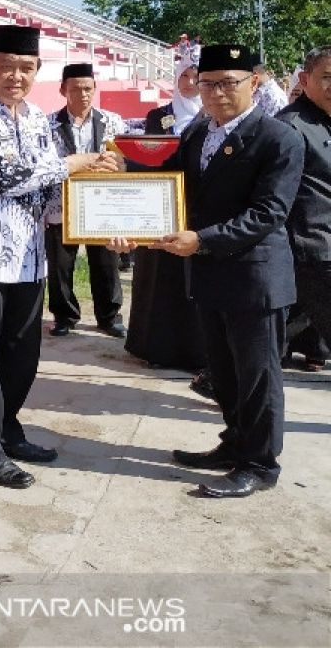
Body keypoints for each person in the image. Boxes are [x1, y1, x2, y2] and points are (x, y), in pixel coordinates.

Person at [112, 44, 303, 498]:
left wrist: (202, 239)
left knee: (257, 376)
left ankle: (259, 464)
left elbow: (269, 212)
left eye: (228, 83)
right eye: (208, 83)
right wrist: (120, 177)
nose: (217, 93)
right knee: (223, 370)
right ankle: (234, 443)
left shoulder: (278, 138)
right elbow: (170, 182)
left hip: (254, 277)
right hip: (210, 276)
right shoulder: (201, 131)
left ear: (254, 82)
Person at [0, 25, 118, 489]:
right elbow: (0, 175)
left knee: (21, 355)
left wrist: (109, 221)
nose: (16, 76)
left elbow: (47, 189)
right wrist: (74, 163)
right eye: (7, 67)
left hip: (28, 256)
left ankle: (7, 428)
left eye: (26, 68)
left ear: (38, 71)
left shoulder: (38, 119)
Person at [124, 53, 209, 372]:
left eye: (196, 77)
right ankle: (157, 347)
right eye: (184, 77)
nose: (190, 83)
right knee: (160, 277)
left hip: (198, 208)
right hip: (162, 205)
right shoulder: (159, 115)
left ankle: (197, 351)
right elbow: (150, 156)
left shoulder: (213, 115)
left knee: (194, 279)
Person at [45, 63, 128, 338]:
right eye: (76, 89)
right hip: (60, 203)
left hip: (101, 204)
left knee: (106, 262)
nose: (83, 94)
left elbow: (123, 160)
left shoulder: (112, 122)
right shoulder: (47, 125)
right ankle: (64, 315)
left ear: (95, 89)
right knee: (60, 264)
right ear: (63, 90)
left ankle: (109, 316)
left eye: (88, 88)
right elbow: (45, 164)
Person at [276, 47, 331, 376]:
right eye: (326, 77)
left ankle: (220, 377)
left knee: (282, 324)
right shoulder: (290, 128)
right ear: (304, 79)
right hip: (314, 248)